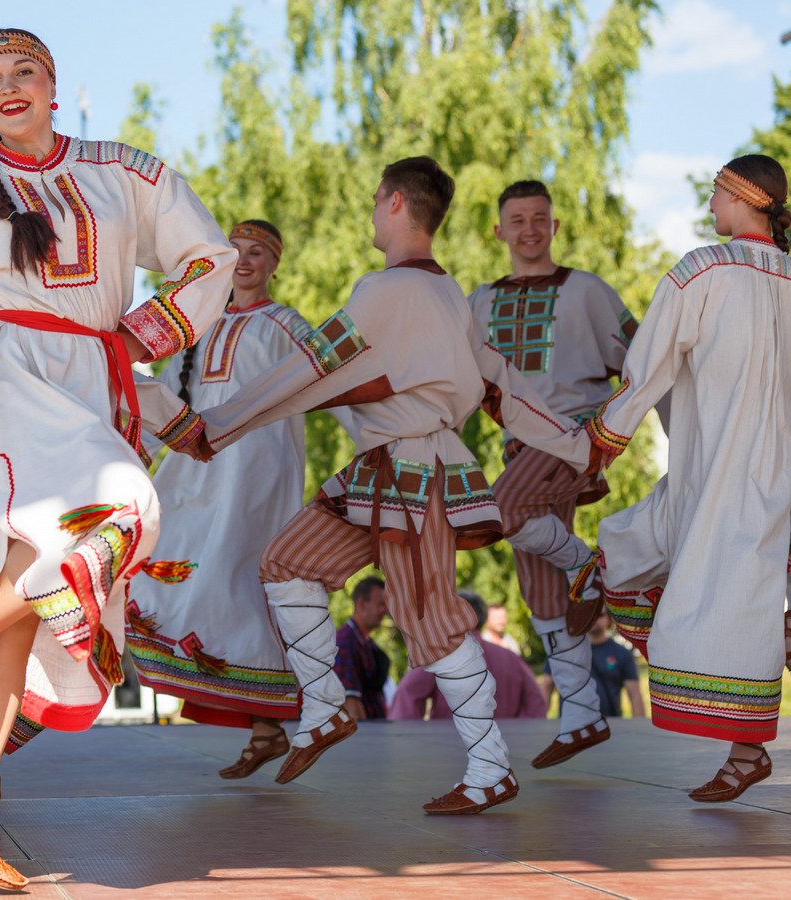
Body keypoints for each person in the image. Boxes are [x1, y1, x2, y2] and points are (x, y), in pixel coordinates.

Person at [0, 28, 234, 888]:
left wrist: (154, 325)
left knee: (35, 593)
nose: (7, 84)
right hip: (4, 375)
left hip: (94, 378)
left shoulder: (123, 171)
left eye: (24, 70)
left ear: (54, 85)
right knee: (122, 511)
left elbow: (213, 257)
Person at [197, 157, 591, 814]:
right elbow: (504, 386)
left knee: (428, 617)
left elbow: (310, 366)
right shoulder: (450, 295)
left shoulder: (382, 292)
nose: (374, 211)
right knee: (285, 563)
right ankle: (324, 706)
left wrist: (214, 425)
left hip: (413, 471)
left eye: (378, 200)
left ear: (397, 204)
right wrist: (582, 443)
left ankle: (491, 767)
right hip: (379, 471)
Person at [578, 154, 791, 802]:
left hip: (716, 476)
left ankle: (746, 750)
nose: (709, 209)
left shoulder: (702, 269)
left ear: (740, 196)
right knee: (646, 564)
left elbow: (649, 365)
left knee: (708, 594)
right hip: (766, 481)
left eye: (716, 194)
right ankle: (746, 749)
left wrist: (605, 438)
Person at [126, 219, 313, 780]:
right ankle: (264, 727)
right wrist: (134, 445)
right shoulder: (200, 323)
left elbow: (335, 379)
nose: (247, 260)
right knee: (156, 559)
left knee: (237, 578)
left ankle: (271, 720)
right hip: (198, 462)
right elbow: (167, 396)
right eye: (236, 252)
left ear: (276, 263)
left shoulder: (287, 323)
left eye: (258, 251)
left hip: (257, 470)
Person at [467, 180, 639, 769]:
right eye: (517, 219)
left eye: (539, 217)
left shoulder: (587, 290)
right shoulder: (479, 301)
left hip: (576, 432)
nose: (529, 229)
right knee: (539, 585)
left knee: (499, 512)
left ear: (554, 226)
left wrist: (614, 430)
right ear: (499, 231)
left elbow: (640, 360)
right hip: (522, 444)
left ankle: (586, 563)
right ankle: (584, 713)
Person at [390, 591, 548, 720]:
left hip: (448, 748)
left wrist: (411, 743)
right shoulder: (511, 659)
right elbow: (536, 703)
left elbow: (407, 699)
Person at [539, 611, 644, 717]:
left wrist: (639, 728)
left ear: (609, 619)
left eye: (600, 615)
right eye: (587, 614)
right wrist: (539, 725)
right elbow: (546, 687)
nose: (593, 619)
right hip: (571, 725)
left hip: (610, 726)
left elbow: (635, 695)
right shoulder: (562, 652)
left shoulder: (622, 654)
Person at [334, 576, 391, 721]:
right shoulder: (345, 642)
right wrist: (366, 740)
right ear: (361, 604)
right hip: (364, 737)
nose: (386, 610)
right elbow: (350, 703)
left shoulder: (367, 643)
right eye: (381, 604)